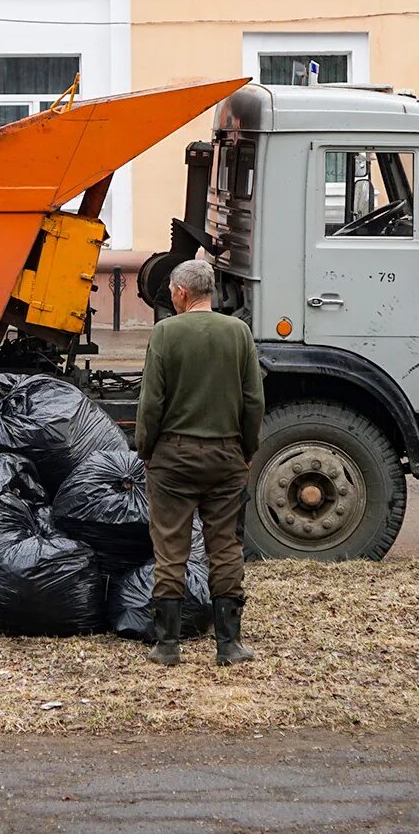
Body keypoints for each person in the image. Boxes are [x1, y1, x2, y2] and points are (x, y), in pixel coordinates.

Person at [134, 258, 265, 668]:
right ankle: (229, 644)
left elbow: (151, 402)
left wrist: (145, 449)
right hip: (226, 455)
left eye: (172, 291)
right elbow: (253, 400)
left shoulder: (166, 333)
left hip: (173, 458)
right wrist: (246, 449)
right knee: (224, 546)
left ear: (181, 293)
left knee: (171, 547)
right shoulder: (239, 333)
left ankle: (168, 646)